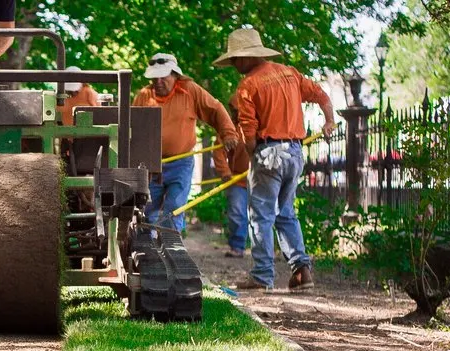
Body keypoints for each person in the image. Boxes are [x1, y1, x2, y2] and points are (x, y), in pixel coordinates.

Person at [214, 28, 335, 291]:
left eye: (235, 58)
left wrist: (250, 155)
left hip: (269, 154)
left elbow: (248, 133)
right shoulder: (290, 74)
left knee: (260, 217)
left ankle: (261, 276)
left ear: (247, 56)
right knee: (286, 214)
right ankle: (302, 272)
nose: (234, 64)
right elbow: (321, 95)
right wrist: (329, 121)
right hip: (294, 153)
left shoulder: (248, 85)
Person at [132, 53, 238, 232]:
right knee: (147, 210)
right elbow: (131, 126)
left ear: (175, 75)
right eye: (154, 77)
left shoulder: (190, 90)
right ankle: (146, 249)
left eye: (163, 76)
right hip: (150, 165)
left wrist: (228, 133)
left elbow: (215, 109)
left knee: (174, 206)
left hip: (181, 162)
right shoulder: (144, 95)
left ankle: (170, 245)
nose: (158, 81)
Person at [212, 94, 250, 257]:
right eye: (233, 110)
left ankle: (263, 250)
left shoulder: (259, 125)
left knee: (263, 215)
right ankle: (238, 247)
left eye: (237, 110)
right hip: (237, 179)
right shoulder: (228, 129)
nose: (235, 113)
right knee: (237, 213)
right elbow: (218, 151)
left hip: (261, 179)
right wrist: (225, 172)